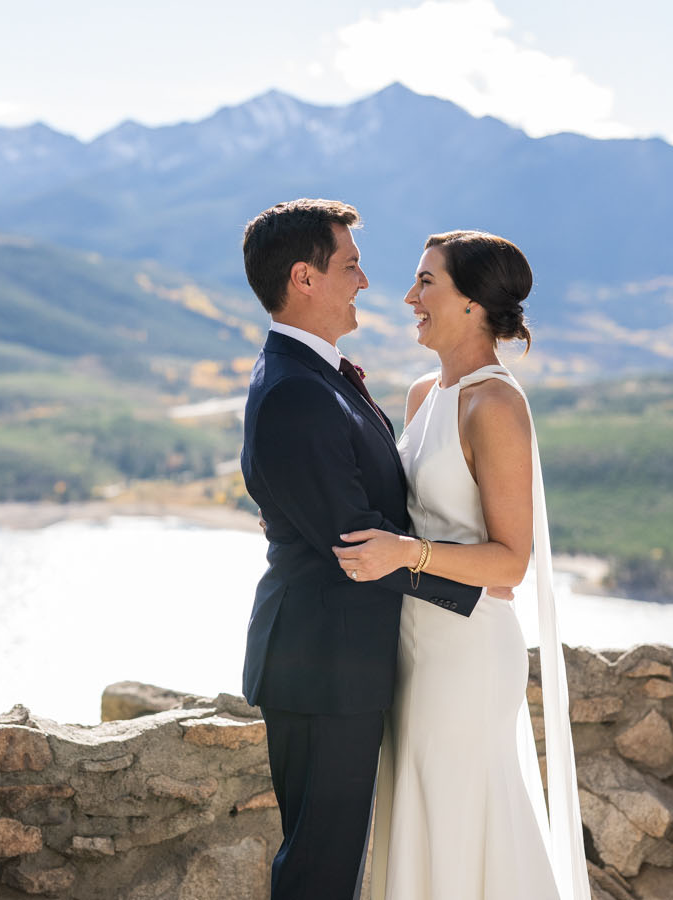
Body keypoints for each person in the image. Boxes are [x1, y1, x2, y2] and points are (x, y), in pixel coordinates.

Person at [332, 230, 591, 900]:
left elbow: (510, 564)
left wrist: (407, 555)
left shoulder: (495, 405)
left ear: (473, 303)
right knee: (415, 814)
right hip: (412, 645)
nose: (408, 297)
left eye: (426, 284)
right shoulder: (425, 395)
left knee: (456, 817)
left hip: (468, 655)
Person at [239, 200, 484, 900]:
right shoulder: (297, 392)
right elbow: (356, 544)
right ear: (303, 279)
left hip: (334, 660)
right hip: (322, 665)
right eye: (350, 266)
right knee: (320, 871)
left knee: (332, 865)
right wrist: (475, 585)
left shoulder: (318, 378)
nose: (367, 283)